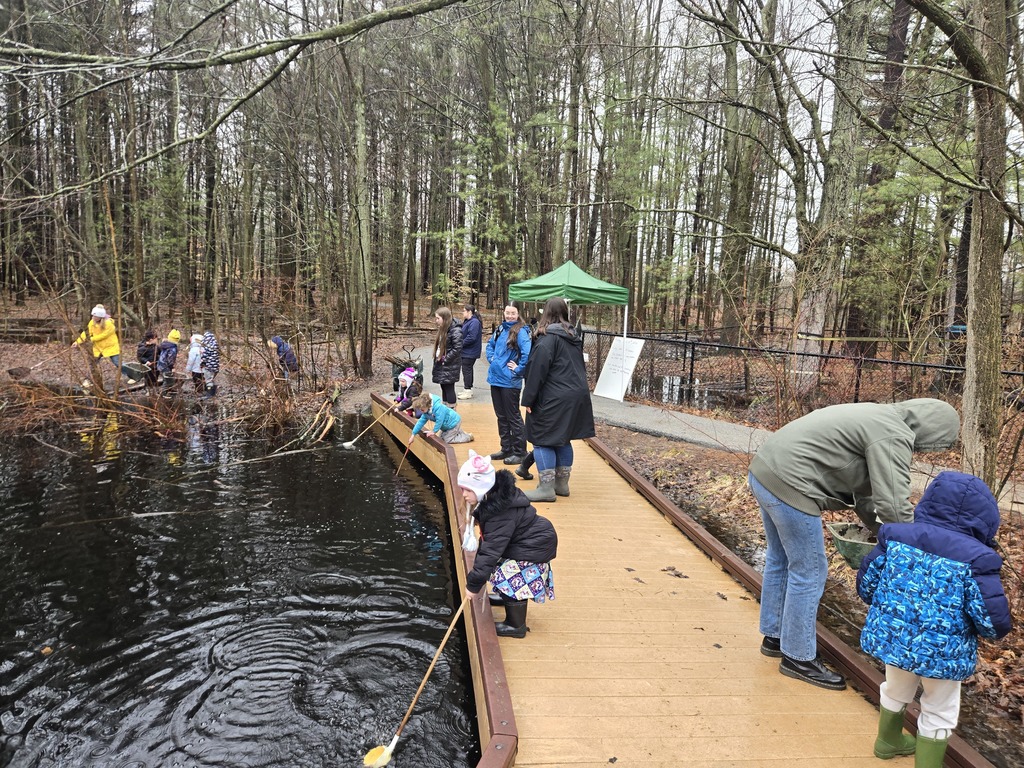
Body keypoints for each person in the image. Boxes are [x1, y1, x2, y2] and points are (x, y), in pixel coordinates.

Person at [747, 398, 961, 691]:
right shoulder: (893, 433)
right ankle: (797, 657)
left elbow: (866, 496)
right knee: (809, 571)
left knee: (781, 559)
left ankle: (775, 637)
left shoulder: (878, 416)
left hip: (765, 471)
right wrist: (916, 550)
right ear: (932, 430)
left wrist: (879, 531)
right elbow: (894, 506)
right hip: (792, 484)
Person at [857, 470, 1011, 766]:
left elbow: (866, 585)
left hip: (895, 639)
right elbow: (992, 621)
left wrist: (889, 611)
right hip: (944, 652)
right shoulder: (978, 559)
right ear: (985, 518)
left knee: (895, 688)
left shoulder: (894, 536)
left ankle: (887, 741)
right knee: (940, 709)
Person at [459, 450, 557, 638]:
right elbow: (488, 545)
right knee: (500, 566)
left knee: (513, 575)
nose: (463, 495)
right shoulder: (493, 501)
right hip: (522, 542)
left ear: (482, 488)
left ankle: (516, 625)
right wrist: (476, 578)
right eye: (462, 489)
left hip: (532, 547)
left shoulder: (499, 514)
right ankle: (506, 596)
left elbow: (490, 552)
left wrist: (472, 585)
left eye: (468, 490)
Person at [520, 297, 595, 502]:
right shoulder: (573, 337)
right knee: (563, 438)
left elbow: (536, 372)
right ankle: (561, 484)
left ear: (546, 312)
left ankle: (546, 488)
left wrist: (528, 400)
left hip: (554, 397)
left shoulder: (547, 339)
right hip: (576, 395)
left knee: (542, 439)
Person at [485, 302, 532, 466]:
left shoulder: (521, 332)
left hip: (510, 382)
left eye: (513, 313)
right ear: (504, 313)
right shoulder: (500, 329)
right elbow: (490, 345)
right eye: (507, 312)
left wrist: (518, 370)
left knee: (513, 417)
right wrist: (492, 359)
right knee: (501, 416)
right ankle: (506, 448)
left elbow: (527, 354)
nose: (510, 316)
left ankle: (520, 452)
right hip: (495, 379)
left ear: (518, 314)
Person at [72, 304, 129, 380]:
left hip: (110, 346)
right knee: (92, 363)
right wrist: (78, 341)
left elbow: (103, 335)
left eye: (95, 316)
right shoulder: (92, 322)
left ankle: (131, 375)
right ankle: (89, 380)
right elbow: (86, 333)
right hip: (98, 347)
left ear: (100, 317)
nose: (93, 317)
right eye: (93, 315)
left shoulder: (109, 324)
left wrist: (91, 339)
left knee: (118, 363)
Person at [407, 392, 473, 444]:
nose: (421, 412)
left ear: (427, 405)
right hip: (446, 426)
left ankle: (467, 437)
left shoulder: (438, 408)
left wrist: (433, 431)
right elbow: (420, 422)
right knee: (441, 439)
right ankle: (458, 432)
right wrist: (413, 434)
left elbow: (439, 421)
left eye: (422, 409)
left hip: (453, 422)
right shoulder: (425, 412)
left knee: (447, 440)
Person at [431, 307, 463, 408]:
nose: (436, 320)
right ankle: (445, 408)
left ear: (444, 318)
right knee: (443, 386)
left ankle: (451, 410)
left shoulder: (455, 330)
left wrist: (446, 358)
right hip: (441, 363)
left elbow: (457, 348)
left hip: (450, 364)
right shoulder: (443, 329)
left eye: (438, 318)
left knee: (449, 387)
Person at [457, 304, 483, 400]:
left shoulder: (474, 322)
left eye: (464, 311)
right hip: (467, 351)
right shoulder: (468, 321)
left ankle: (468, 390)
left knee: (467, 370)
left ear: (469, 312)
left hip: (470, 351)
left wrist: (460, 343)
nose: (462, 312)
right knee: (467, 369)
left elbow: (472, 337)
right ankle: (467, 389)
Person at [156, 329, 181, 394]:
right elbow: (170, 360)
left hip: (160, 364)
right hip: (166, 366)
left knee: (165, 378)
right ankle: (163, 393)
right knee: (168, 380)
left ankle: (169, 389)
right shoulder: (173, 348)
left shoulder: (165, 344)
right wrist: (172, 368)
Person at [201, 330, 220, 398]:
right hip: (215, 367)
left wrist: (202, 362)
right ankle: (213, 393)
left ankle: (209, 394)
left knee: (208, 379)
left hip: (209, 366)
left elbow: (204, 356)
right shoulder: (216, 346)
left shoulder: (207, 347)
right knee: (212, 379)